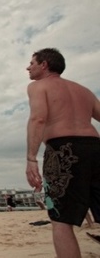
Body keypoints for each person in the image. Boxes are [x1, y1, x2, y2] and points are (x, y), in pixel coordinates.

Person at [25, 48, 100, 258]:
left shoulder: (38, 86)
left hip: (63, 149)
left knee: (61, 220)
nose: (28, 67)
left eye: (32, 62)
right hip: (95, 147)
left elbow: (38, 119)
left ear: (44, 65)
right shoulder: (84, 90)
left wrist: (31, 158)